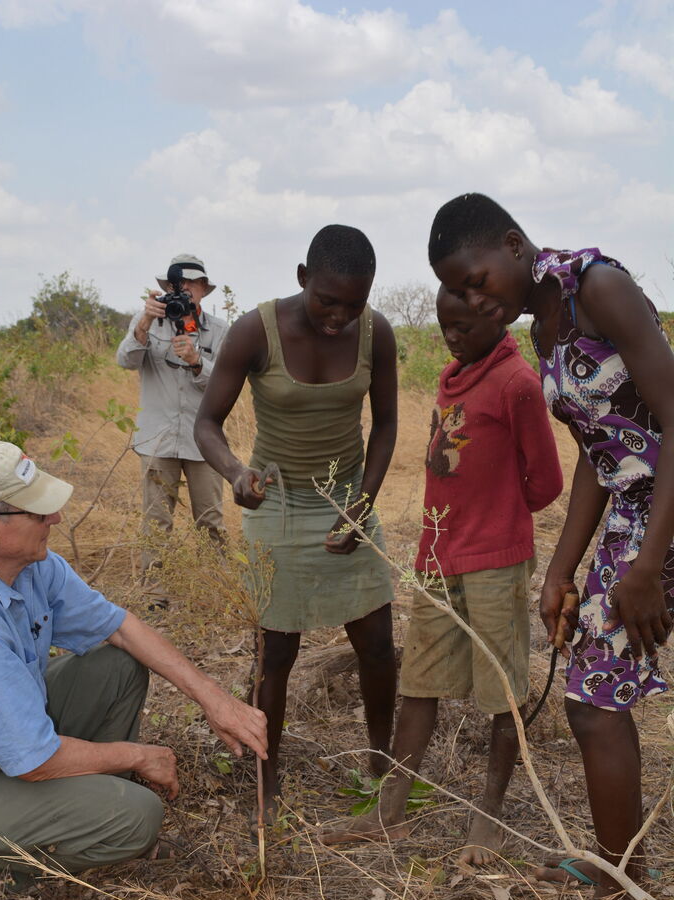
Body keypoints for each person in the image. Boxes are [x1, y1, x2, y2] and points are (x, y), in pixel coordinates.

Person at [427, 191, 674, 900]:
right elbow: (602, 455)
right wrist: (561, 569)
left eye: (475, 280)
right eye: (458, 290)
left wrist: (646, 566)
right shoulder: (541, 329)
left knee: (594, 706)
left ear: (512, 244)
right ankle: (619, 865)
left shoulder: (596, 288)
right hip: (635, 508)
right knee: (590, 695)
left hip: (663, 512)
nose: (472, 298)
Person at [0, 440, 267, 900]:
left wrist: (215, 701)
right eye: (38, 513)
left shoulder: (26, 568)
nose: (55, 519)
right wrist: (138, 756)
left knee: (119, 666)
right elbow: (35, 760)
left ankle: (83, 813)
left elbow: (121, 629)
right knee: (138, 817)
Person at [321, 287, 563, 857]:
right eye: (444, 327)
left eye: (461, 327)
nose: (451, 337)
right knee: (420, 683)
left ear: (497, 315)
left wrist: (497, 516)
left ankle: (491, 815)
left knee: (501, 690)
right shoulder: (457, 376)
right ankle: (389, 811)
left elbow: (547, 482)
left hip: (494, 563)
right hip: (436, 557)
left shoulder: (518, 385)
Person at [194, 224, 398, 822]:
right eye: (327, 300)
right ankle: (266, 778)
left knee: (379, 645)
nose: (338, 316)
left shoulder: (375, 333)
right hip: (276, 505)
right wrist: (235, 473)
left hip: (347, 503)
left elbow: (385, 425)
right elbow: (207, 423)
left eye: (353, 303)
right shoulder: (255, 331)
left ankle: (383, 767)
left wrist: (363, 502)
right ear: (303, 278)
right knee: (274, 655)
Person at [116, 253, 229, 609]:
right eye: (177, 286)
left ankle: (221, 592)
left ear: (203, 290)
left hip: (202, 441)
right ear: (167, 289)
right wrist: (145, 322)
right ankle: (154, 598)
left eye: (192, 285)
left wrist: (198, 362)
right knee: (155, 522)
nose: (185, 291)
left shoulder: (221, 330)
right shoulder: (148, 321)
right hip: (158, 439)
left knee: (210, 521)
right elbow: (125, 360)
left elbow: (226, 385)